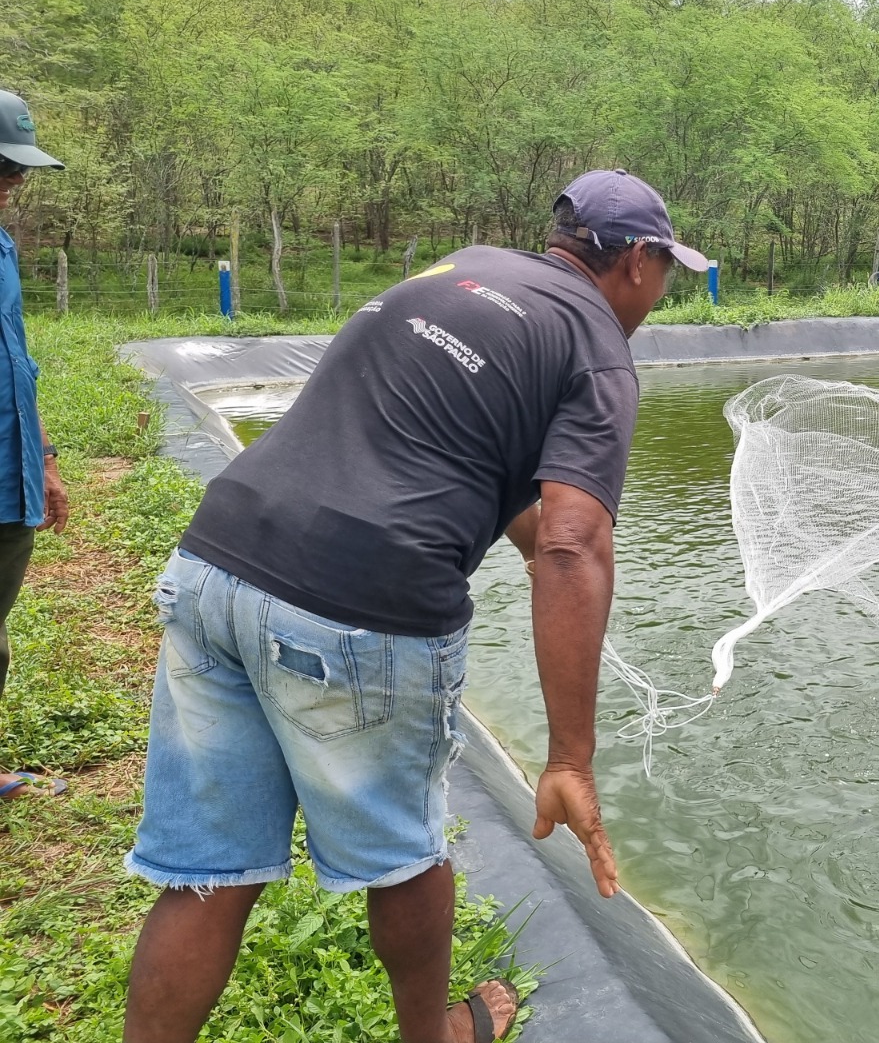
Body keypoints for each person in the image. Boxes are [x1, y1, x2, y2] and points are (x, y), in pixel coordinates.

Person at [121, 169, 707, 1043]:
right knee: (403, 857)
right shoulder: (594, 342)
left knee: (208, 872)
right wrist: (571, 759)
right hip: (359, 604)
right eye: (669, 272)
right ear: (636, 262)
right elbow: (572, 543)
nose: (664, 294)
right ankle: (433, 1035)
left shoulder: (461, 268)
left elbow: (443, 437)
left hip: (217, 561)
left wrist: (526, 530)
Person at [0, 88, 71, 801]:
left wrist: (44, 462)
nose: (12, 184)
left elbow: (17, 362)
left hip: (9, 468)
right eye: (0, 168)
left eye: (17, 171)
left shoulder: (2, 248)